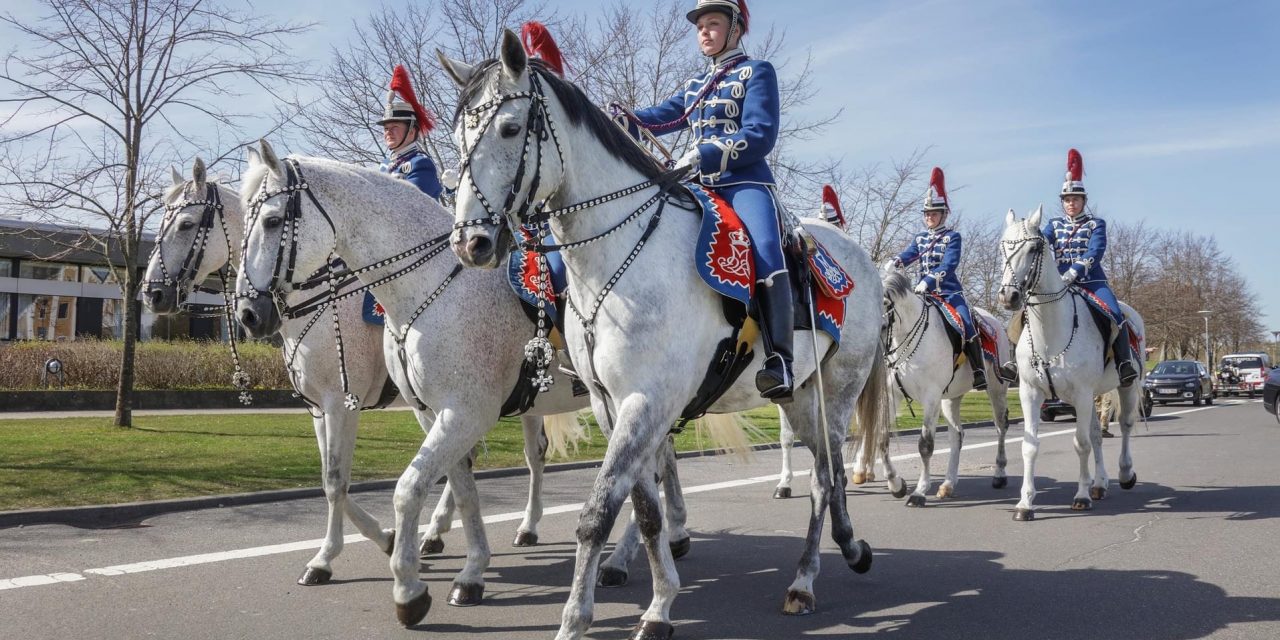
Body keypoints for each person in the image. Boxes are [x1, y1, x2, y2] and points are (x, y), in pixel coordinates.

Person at [618, 0, 792, 401]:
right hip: (699, 187)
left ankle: (781, 359)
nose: (704, 32)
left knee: (766, 248)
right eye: (700, 26)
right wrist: (622, 118)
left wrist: (708, 152)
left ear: (735, 29)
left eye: (713, 24)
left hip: (744, 182)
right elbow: (660, 117)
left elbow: (761, 133)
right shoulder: (697, 85)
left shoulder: (757, 71)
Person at [1042, 149, 1138, 386]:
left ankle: (1124, 363)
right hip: (1060, 282)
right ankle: (1018, 361)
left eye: (1075, 199)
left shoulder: (1096, 224)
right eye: (1067, 200)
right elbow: (1042, 244)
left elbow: (1095, 252)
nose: (1071, 203)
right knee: (1027, 311)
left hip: (1091, 281)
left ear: (1084, 201)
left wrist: (1075, 270)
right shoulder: (1053, 225)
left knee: (1116, 314)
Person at [889, 167, 987, 390]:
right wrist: (896, 261)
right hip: (924, 295)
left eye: (933, 214)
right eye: (926, 214)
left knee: (966, 322)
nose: (929, 217)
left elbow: (949, 264)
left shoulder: (952, 237)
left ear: (943, 214)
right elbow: (910, 254)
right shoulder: (921, 237)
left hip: (949, 293)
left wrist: (929, 280)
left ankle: (979, 370)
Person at [377, 64, 443, 200]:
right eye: (386, 128)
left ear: (412, 132)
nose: (388, 132)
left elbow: (410, 206)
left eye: (394, 127)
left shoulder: (420, 163)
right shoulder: (385, 164)